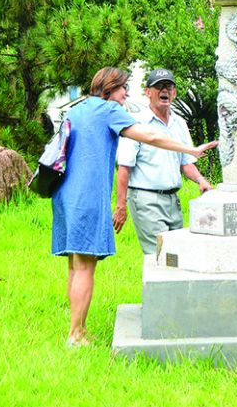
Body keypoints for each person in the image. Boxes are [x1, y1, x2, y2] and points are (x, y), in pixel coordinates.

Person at [51, 67, 216, 347]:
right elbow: (149, 136)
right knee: (84, 267)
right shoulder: (108, 110)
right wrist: (190, 150)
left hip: (64, 195)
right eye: (122, 89)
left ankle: (77, 328)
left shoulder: (77, 109)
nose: (126, 94)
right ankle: (75, 335)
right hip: (88, 197)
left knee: (74, 265)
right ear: (109, 89)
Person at [114, 68, 212, 254]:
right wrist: (121, 206)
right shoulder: (136, 124)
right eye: (158, 86)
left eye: (168, 86)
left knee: (176, 255)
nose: (164, 90)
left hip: (172, 200)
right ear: (148, 92)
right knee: (158, 255)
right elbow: (124, 168)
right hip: (146, 199)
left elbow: (186, 163)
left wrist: (201, 180)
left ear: (174, 93)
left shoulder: (179, 124)